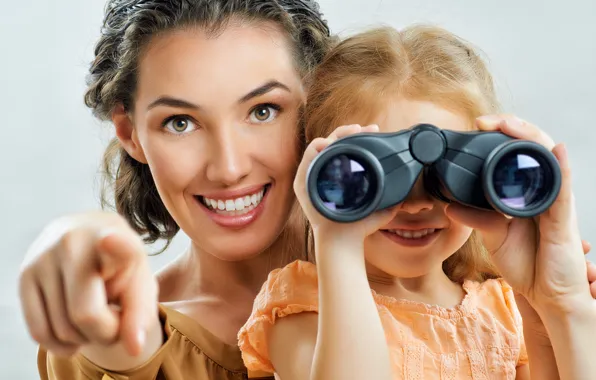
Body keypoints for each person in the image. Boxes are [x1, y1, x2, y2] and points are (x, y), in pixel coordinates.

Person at [237, 25, 596, 379]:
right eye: (378, 178)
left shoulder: (504, 309)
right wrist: (337, 244)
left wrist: (561, 305)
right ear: (320, 176)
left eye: (444, 178)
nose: (416, 204)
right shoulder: (302, 304)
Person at [19, 0, 333, 379]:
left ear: (316, 105)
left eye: (262, 111)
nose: (229, 169)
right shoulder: (113, 343)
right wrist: (78, 244)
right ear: (129, 133)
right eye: (180, 122)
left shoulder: (407, 259)